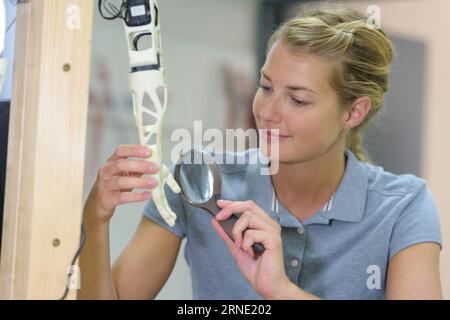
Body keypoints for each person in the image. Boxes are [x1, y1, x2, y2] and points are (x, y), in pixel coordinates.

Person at [79, 4, 442, 300]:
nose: (267, 112)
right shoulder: (198, 181)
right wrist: (95, 219)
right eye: (266, 87)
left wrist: (280, 291)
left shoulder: (403, 208)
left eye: (298, 100)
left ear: (353, 112)